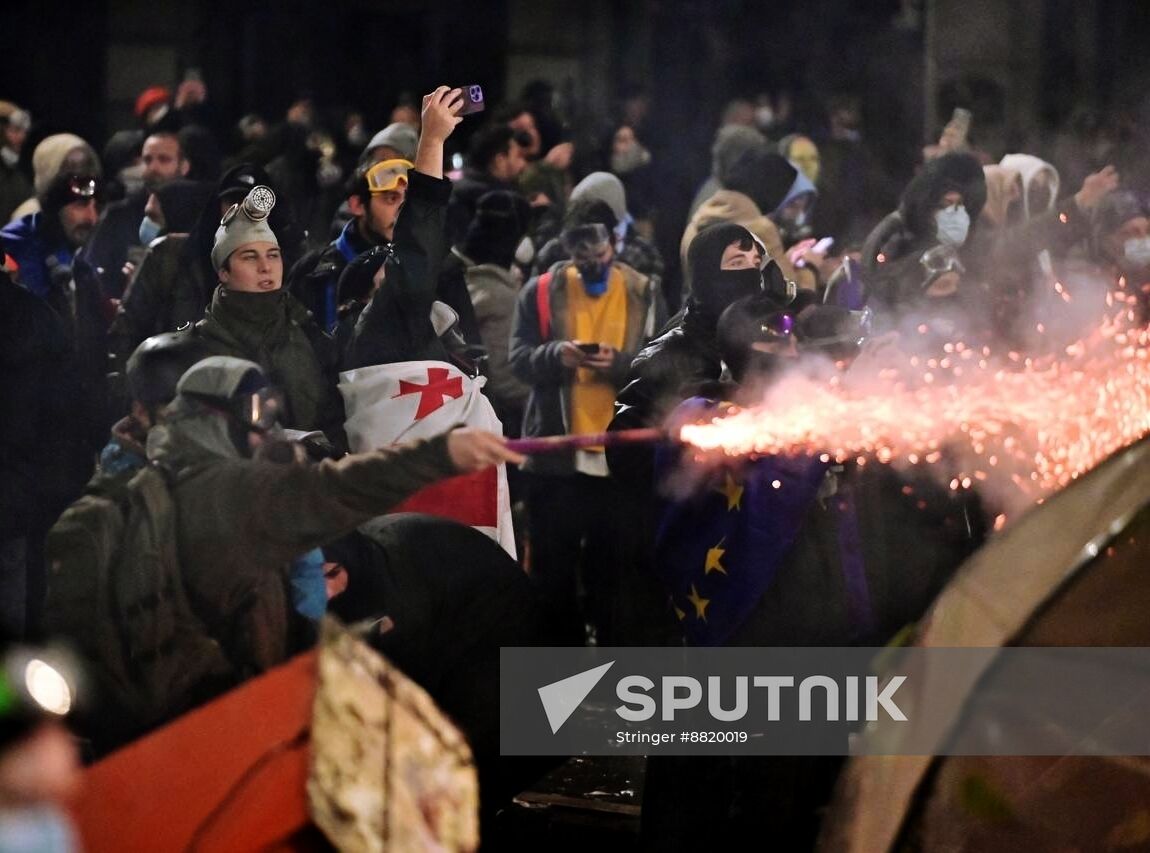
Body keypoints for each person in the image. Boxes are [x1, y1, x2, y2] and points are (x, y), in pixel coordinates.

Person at [145, 355, 523, 678]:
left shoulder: (265, 500)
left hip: (481, 619)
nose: (262, 432)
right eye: (251, 415)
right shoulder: (150, 507)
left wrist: (442, 454)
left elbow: (342, 488)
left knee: (524, 732)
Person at [509, 207, 663, 643]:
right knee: (553, 572)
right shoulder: (540, 292)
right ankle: (562, 667)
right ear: (567, 251)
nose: (593, 263)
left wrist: (621, 365)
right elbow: (517, 360)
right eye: (582, 257)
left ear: (614, 243)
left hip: (617, 461)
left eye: (599, 252)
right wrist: (555, 355)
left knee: (613, 571)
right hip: (558, 462)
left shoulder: (642, 291)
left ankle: (614, 664)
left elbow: (660, 367)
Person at [191, 183, 347, 448]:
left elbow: (335, 413)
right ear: (223, 272)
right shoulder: (200, 345)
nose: (266, 267)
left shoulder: (307, 331)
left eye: (273, 256)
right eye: (250, 257)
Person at [287, 156, 413, 332]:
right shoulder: (312, 271)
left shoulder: (435, 264)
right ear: (357, 205)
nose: (403, 211)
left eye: (408, 200)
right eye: (391, 199)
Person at [83, 131, 191, 298]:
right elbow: (90, 273)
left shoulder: (196, 216)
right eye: (147, 160)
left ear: (184, 166)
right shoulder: (117, 216)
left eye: (164, 159)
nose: (153, 168)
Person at [445, 124, 527, 247]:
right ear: (500, 160)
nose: (523, 165)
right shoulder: (499, 203)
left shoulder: (457, 187)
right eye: (518, 156)